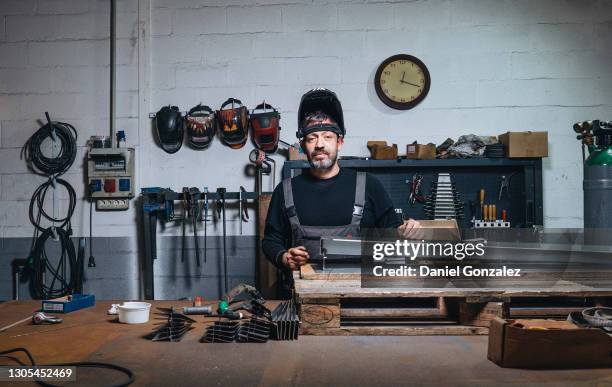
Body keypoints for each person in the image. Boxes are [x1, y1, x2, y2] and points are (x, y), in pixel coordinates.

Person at [262, 88, 422, 286]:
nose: (319, 144)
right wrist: (284, 257)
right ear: (303, 146)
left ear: (340, 142)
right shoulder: (285, 191)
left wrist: (408, 230)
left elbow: (391, 233)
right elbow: (271, 240)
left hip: (360, 297)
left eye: (327, 137)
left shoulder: (369, 186)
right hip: (303, 297)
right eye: (312, 138)